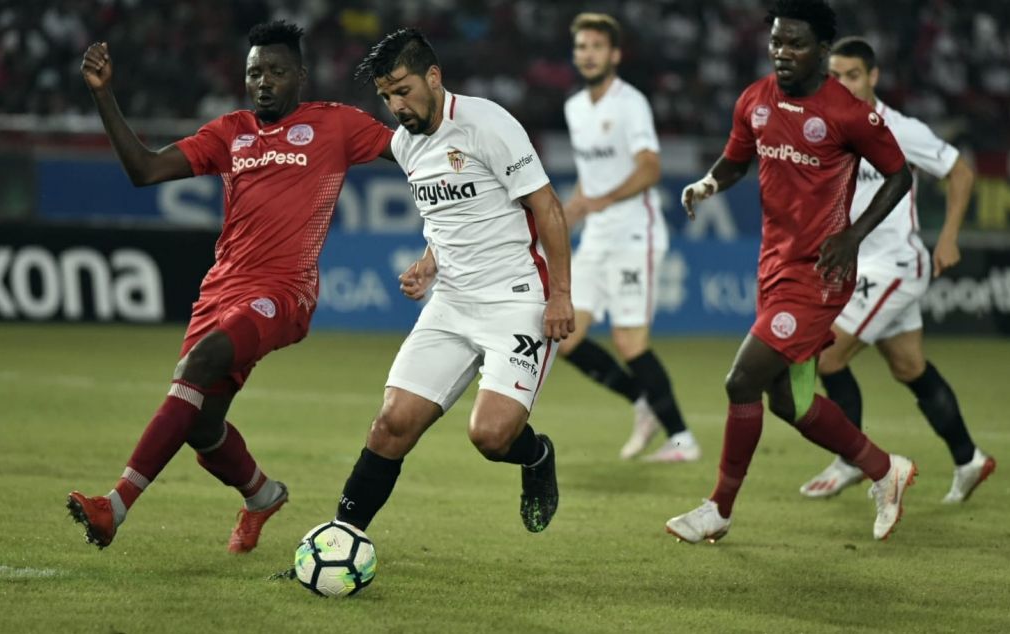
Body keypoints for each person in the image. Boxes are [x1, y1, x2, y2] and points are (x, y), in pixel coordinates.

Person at [66, 21, 395, 552]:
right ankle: (262, 494)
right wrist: (104, 96)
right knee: (200, 425)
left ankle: (116, 504)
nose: (264, 82)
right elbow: (144, 170)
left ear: (301, 77)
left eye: (277, 71)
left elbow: (412, 153)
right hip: (221, 289)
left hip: (285, 291)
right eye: (254, 72)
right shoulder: (229, 132)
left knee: (199, 366)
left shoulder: (337, 125)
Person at [665, 0, 918, 544]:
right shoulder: (755, 100)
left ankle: (719, 509)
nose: (782, 52)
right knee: (790, 402)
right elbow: (736, 158)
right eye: (777, 41)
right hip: (774, 265)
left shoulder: (849, 113)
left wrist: (853, 235)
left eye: (795, 43)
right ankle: (885, 470)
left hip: (819, 273)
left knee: (741, 381)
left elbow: (900, 176)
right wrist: (709, 183)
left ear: (823, 51)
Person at [326, 28, 574, 536]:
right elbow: (451, 217)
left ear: (433, 77)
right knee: (390, 425)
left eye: (403, 89)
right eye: (386, 96)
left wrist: (562, 296)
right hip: (451, 304)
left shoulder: (486, 123)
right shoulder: (405, 144)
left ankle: (537, 455)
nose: (396, 105)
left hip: (515, 301)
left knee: (491, 436)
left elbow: (545, 206)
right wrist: (428, 262)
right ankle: (339, 538)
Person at [798, 37, 994, 503]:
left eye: (853, 75)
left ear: (873, 77)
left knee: (827, 356)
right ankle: (970, 459)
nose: (843, 83)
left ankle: (851, 459)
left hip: (894, 267)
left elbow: (960, 172)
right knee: (909, 366)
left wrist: (947, 237)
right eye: (835, 75)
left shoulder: (898, 128)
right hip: (857, 265)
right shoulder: (827, 126)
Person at [560, 12, 700, 463]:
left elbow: (650, 168)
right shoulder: (575, 108)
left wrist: (604, 199)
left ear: (614, 54)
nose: (588, 54)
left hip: (634, 234)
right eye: (581, 47)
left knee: (629, 342)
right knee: (565, 337)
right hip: (598, 235)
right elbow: (588, 182)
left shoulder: (630, 102)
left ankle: (682, 440)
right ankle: (643, 403)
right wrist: (567, 218)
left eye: (596, 47)